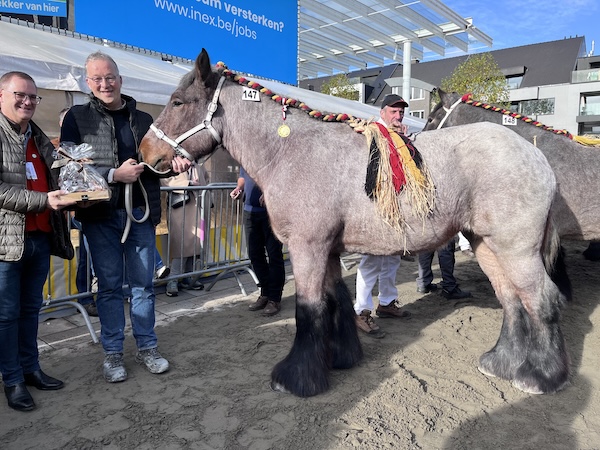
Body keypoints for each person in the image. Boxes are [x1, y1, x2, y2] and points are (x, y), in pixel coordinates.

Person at [60, 52, 190, 383]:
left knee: (144, 285)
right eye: (97, 79)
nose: (105, 84)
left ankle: (147, 346)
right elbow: (68, 167)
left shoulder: (144, 119)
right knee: (109, 287)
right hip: (100, 216)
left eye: (110, 77)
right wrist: (112, 175)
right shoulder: (76, 117)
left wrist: (173, 166)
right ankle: (113, 353)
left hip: (140, 213)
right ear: (88, 83)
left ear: (120, 79)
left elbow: (156, 165)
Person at [0, 71, 77, 411]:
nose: (28, 101)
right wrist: (46, 201)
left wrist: (80, 186)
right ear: (2, 95)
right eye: (21, 95)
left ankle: (31, 368)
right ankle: (12, 379)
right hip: (7, 243)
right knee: (6, 314)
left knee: (31, 309)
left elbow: (58, 174)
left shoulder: (36, 135)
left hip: (40, 238)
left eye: (33, 97)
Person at [354, 94, 413, 339]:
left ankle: (387, 303)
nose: (397, 116)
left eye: (400, 113)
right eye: (393, 112)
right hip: (374, 206)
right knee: (371, 261)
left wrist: (404, 139)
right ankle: (361, 311)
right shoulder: (371, 131)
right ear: (382, 112)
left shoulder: (400, 136)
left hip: (396, 206)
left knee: (392, 260)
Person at [230, 167, 285, 317]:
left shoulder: (272, 151)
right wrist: (239, 188)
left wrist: (269, 193)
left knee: (274, 255)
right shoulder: (245, 156)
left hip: (271, 212)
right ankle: (265, 293)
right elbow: (243, 176)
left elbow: (282, 178)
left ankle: (274, 299)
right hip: (250, 212)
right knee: (254, 255)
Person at [162, 163, 210, 297]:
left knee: (196, 245)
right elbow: (165, 179)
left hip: (198, 205)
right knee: (181, 245)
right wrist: (187, 183)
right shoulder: (172, 161)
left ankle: (190, 277)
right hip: (180, 205)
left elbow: (206, 179)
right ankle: (173, 279)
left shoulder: (198, 162)